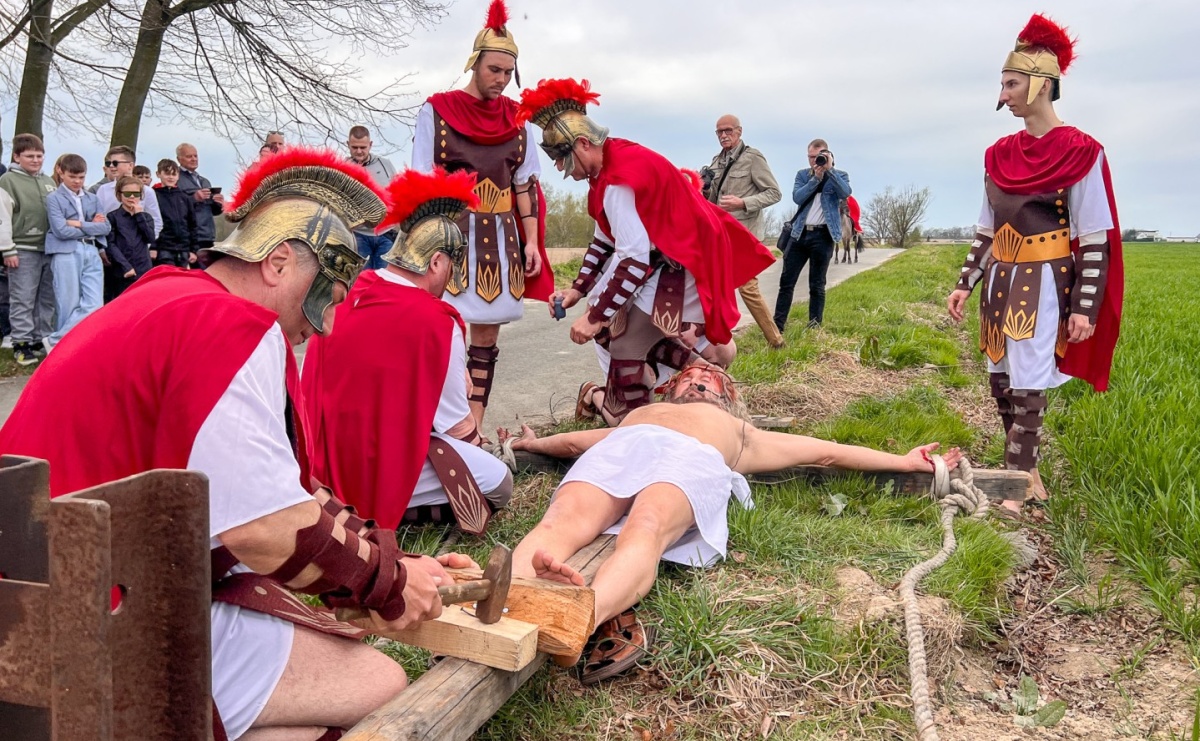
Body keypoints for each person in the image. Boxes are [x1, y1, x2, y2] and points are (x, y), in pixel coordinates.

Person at [0, 147, 474, 739]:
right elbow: (264, 528)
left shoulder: (170, 296)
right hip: (91, 615)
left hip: (43, 596)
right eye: (325, 293)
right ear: (278, 262)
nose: (324, 322)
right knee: (377, 684)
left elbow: (280, 490)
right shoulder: (231, 327)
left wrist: (395, 562)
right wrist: (389, 586)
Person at [499, 361, 961, 683]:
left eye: (711, 378)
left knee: (646, 527)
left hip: (689, 459)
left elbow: (827, 452)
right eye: (689, 376)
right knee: (559, 522)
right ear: (670, 388)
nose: (699, 378)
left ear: (729, 397)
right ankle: (497, 604)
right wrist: (531, 444)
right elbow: (576, 442)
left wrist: (902, 462)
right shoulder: (638, 415)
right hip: (624, 447)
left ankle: (580, 618)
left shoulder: (741, 433)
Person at [517, 78, 774, 425]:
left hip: (685, 262)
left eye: (562, 159)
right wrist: (578, 291)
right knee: (620, 331)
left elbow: (634, 260)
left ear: (583, 144)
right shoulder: (610, 168)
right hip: (672, 260)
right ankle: (655, 398)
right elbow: (604, 241)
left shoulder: (617, 180)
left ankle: (632, 414)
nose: (562, 170)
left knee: (631, 349)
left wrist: (594, 318)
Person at [946, 14, 1123, 516]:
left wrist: (1084, 307)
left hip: (1045, 282)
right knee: (1000, 380)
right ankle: (1029, 473)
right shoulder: (998, 154)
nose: (1003, 95)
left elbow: (1094, 238)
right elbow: (986, 230)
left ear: (1042, 84)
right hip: (999, 280)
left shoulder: (1081, 151)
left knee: (1028, 381)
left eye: (1011, 83)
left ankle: (1017, 483)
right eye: (1002, 84)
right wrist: (966, 282)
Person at [302, 168, 513, 533]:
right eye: (451, 265)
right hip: (373, 468)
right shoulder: (437, 322)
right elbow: (457, 427)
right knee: (499, 482)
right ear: (436, 262)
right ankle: (389, 515)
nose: (450, 279)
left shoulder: (346, 293)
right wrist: (481, 446)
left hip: (314, 468)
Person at [411, 0, 552, 432]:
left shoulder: (519, 120)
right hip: (451, 237)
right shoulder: (437, 112)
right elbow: (421, 184)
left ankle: (474, 425)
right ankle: (443, 427)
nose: (502, 79)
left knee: (486, 339)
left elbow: (525, 186)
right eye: (494, 70)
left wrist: (532, 242)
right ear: (474, 64)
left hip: (501, 238)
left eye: (508, 72)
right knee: (445, 334)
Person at [703, 114, 784, 348]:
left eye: (728, 130)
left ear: (739, 131)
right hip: (721, 234)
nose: (723, 135)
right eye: (719, 132)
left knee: (747, 287)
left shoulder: (753, 158)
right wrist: (704, 187)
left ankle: (776, 341)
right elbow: (712, 199)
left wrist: (743, 203)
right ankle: (715, 341)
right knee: (714, 285)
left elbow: (774, 193)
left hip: (745, 235)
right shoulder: (716, 161)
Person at [773, 139, 851, 331]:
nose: (814, 161)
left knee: (817, 285)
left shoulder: (840, 175)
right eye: (810, 157)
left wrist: (830, 171)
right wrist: (815, 178)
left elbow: (845, 193)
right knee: (786, 282)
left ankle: (814, 328)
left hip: (823, 235)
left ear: (828, 155)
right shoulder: (803, 175)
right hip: (799, 233)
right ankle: (777, 327)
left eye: (818, 157)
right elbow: (797, 197)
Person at [0, 133, 57, 365]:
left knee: (46, 297)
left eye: (39, 156)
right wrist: (7, 249)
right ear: (17, 157)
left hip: (49, 248)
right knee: (23, 297)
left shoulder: (49, 182)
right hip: (22, 248)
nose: (35, 160)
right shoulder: (8, 181)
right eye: (30, 156)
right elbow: (3, 218)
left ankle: (41, 338)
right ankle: (21, 342)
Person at [44, 153, 110, 348]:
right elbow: (61, 230)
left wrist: (78, 223)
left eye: (81, 177)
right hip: (65, 251)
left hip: (91, 249)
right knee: (68, 302)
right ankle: (66, 348)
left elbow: (106, 227)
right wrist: (91, 225)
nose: (77, 181)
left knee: (95, 303)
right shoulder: (54, 198)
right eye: (72, 177)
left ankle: (56, 341)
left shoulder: (92, 198)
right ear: (61, 172)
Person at [346, 125, 397, 270]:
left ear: (370, 145)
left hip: (385, 234)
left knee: (384, 279)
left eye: (363, 147)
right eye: (354, 147)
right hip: (358, 235)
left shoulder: (385, 165)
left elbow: (398, 193)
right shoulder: (342, 167)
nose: (359, 151)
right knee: (361, 279)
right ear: (348, 144)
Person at [104, 175, 156, 299]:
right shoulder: (112, 217)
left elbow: (150, 238)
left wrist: (139, 215)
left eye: (136, 194)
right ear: (119, 195)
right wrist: (126, 267)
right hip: (122, 270)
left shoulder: (146, 217)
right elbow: (110, 244)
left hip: (144, 268)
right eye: (127, 194)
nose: (132, 197)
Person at [96, 145, 163, 238]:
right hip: (110, 242)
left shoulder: (146, 191)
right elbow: (98, 218)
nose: (111, 166)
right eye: (108, 163)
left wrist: (146, 242)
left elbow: (156, 220)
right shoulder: (103, 190)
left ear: (130, 165)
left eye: (115, 163)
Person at [176, 142, 226, 252]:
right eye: (189, 156)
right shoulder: (176, 179)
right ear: (179, 159)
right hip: (188, 237)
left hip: (207, 235)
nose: (193, 159)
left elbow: (212, 211)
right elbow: (174, 207)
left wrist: (218, 204)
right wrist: (194, 199)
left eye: (195, 156)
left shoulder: (204, 181)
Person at [153, 158, 198, 268]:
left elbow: (192, 224)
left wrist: (193, 250)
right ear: (158, 174)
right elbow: (151, 222)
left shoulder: (185, 198)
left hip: (183, 249)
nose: (171, 177)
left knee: (181, 276)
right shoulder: (154, 196)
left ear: (178, 176)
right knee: (167, 275)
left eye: (174, 174)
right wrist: (153, 247)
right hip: (163, 248)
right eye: (167, 173)